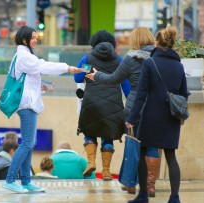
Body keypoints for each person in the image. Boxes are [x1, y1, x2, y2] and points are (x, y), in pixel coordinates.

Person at [2, 26, 81, 193]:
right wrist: (66, 68)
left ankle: (26, 182)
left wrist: (41, 87)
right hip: (27, 105)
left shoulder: (24, 55)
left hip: (28, 104)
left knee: (29, 144)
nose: (36, 39)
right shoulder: (24, 56)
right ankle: (10, 180)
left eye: (36, 37)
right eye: (32, 37)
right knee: (27, 144)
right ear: (24, 39)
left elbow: (28, 79)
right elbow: (43, 66)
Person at [86, 27, 160, 195]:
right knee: (152, 146)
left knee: (134, 145)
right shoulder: (158, 57)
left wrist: (96, 75)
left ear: (135, 40)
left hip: (135, 108)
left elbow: (113, 80)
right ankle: (150, 186)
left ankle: (131, 184)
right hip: (156, 108)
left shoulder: (130, 59)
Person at [124, 27, 188, 203]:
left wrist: (131, 118)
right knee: (170, 156)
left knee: (143, 151)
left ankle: (143, 195)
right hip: (172, 118)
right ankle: (175, 198)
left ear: (157, 43)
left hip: (151, 115)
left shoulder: (150, 63)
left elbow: (141, 94)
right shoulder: (178, 65)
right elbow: (184, 93)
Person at [74, 30, 130, 181]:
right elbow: (126, 86)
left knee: (90, 131)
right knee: (108, 135)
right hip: (113, 105)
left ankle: (91, 162)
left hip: (91, 103)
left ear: (94, 42)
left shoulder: (88, 58)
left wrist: (89, 71)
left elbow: (78, 76)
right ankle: (106, 171)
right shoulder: (118, 60)